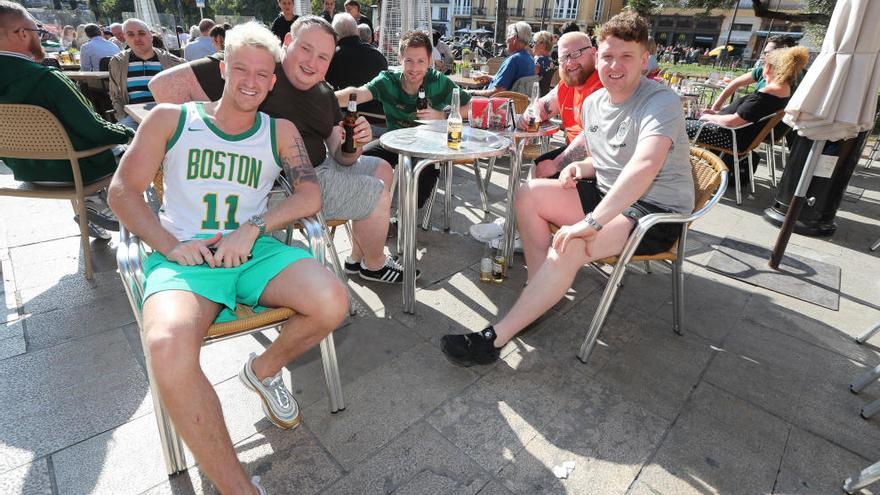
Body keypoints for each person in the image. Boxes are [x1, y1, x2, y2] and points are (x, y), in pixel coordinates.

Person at [108, 22, 347, 495]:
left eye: (263, 73)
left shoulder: (280, 131)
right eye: (241, 69)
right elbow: (122, 193)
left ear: (273, 80)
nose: (252, 81)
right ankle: (240, 489)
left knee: (332, 301)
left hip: (252, 250)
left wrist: (255, 226)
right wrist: (170, 245)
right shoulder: (171, 119)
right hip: (184, 256)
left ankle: (261, 369)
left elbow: (309, 195)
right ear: (222, 69)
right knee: (167, 343)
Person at [440, 11, 695, 367]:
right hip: (609, 194)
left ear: (644, 59)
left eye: (626, 57)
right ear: (598, 56)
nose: (614, 66)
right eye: (608, 56)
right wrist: (580, 165)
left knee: (573, 242)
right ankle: (539, 285)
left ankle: (494, 339)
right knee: (528, 192)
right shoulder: (592, 103)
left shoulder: (660, 101)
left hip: (654, 211)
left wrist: (590, 222)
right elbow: (611, 158)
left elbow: (644, 166)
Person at [149, 16, 409, 284]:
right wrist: (222, 137)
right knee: (376, 193)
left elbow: (340, 156)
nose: (312, 63)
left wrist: (354, 142)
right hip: (284, 186)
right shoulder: (258, 68)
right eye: (305, 49)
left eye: (323, 57)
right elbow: (162, 86)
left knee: (382, 167)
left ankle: (358, 257)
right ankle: (375, 265)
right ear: (287, 41)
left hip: (321, 167)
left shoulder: (325, 92)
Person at [0, 1, 132, 240]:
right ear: (21, 34)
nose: (40, 38)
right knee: (136, 145)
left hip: (25, 172)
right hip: (77, 171)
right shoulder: (47, 79)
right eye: (37, 32)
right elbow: (94, 129)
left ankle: (93, 204)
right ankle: (124, 219)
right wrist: (129, 134)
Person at [335, 29, 471, 210]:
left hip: (427, 148)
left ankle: (403, 221)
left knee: (419, 184)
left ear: (429, 60)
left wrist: (442, 116)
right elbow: (358, 93)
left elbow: (471, 107)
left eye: (421, 61)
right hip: (394, 142)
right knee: (354, 162)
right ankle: (362, 208)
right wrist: (324, 97)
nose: (414, 68)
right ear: (400, 59)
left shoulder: (438, 81)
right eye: (409, 61)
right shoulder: (388, 81)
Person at [686, 45, 809, 183]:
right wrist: (717, 113)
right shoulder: (783, 92)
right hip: (738, 136)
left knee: (678, 125)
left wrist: (708, 116)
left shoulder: (766, 95)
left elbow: (732, 122)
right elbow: (744, 117)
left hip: (730, 137)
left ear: (768, 68)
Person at [519, 31, 603, 178]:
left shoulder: (603, 84)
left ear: (593, 53)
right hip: (572, 155)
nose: (569, 62)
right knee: (535, 170)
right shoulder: (567, 84)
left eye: (576, 53)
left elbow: (592, 136)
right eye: (563, 58)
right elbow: (541, 107)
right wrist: (527, 118)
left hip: (598, 164)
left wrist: (556, 165)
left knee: (537, 179)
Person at [109, 18, 183, 129]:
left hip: (167, 116)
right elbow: (115, 96)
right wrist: (122, 117)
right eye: (131, 35)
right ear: (125, 38)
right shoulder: (118, 62)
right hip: (134, 119)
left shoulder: (172, 61)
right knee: (120, 139)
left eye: (141, 33)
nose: (137, 38)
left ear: (151, 36)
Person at [709, 35, 798, 112]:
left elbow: (734, 121)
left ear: (782, 54)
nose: (762, 56)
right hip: (752, 120)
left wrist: (715, 115)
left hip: (750, 125)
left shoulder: (793, 78)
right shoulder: (763, 70)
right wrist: (716, 108)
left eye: (766, 53)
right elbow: (735, 83)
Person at [326, 13, 386, 117]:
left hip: (349, 119)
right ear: (357, 31)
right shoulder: (378, 55)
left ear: (335, 35)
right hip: (379, 118)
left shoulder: (331, 57)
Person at [471, 22, 534, 97]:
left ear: (514, 37)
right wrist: (490, 78)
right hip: (516, 104)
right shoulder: (529, 59)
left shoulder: (513, 60)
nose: (506, 40)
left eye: (508, 36)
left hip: (497, 104)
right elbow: (511, 82)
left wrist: (471, 92)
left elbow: (497, 92)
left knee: (460, 94)